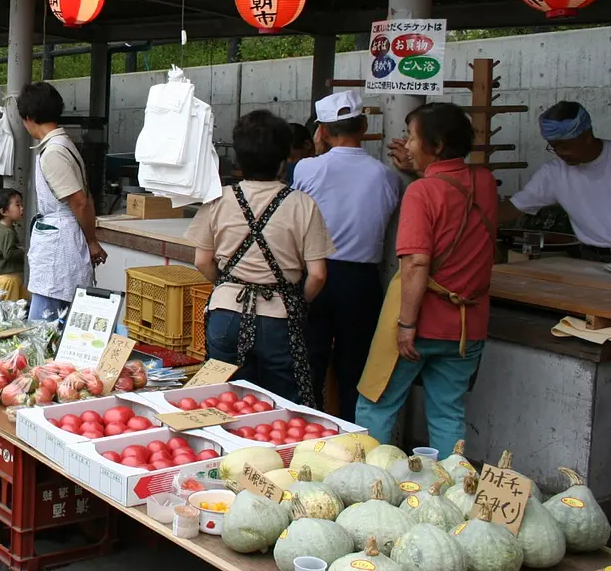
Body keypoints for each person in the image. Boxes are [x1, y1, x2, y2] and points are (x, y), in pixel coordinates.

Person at [357, 103, 497, 455]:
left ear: (435, 144)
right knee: (447, 412)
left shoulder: (421, 192)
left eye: (412, 137)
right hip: (468, 326)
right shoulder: (484, 181)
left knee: (376, 404)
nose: (407, 145)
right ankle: (452, 492)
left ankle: (370, 487)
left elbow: (417, 264)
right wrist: (424, 172)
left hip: (421, 321)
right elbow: (452, 193)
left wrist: (406, 324)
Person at [185, 110, 333, 405]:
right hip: (279, 317)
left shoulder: (218, 199)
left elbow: (202, 261)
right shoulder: (302, 204)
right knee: (285, 404)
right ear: (284, 159)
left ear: (239, 158)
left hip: (225, 313)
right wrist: (297, 300)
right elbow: (317, 274)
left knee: (223, 400)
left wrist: (227, 283)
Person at [292, 91, 402, 421]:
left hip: (315, 274)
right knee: (356, 367)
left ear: (322, 132)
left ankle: (305, 428)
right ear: (365, 126)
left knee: (309, 361)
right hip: (363, 280)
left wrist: (318, 149)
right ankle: (354, 432)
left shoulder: (306, 168)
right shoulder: (386, 174)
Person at [18, 82, 105, 322]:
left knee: (45, 319)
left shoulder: (54, 151)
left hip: (61, 239)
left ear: (29, 117)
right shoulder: (62, 145)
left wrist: (92, 240)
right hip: (62, 234)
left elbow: (79, 201)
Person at [497, 101, 611, 261]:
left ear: (586, 136)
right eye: (553, 146)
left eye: (564, 146)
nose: (559, 153)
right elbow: (517, 205)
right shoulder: (554, 172)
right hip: (589, 256)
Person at [0, 188, 27, 302]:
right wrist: (24, 250)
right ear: (4, 212)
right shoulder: (7, 232)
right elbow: (8, 254)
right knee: (9, 310)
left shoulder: (0, 227)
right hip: (8, 279)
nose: (22, 208)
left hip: (5, 277)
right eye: (17, 205)